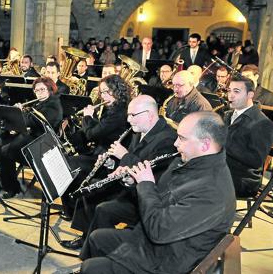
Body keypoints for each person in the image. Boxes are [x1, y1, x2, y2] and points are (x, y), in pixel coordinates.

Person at [78, 111, 235, 274]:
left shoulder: (213, 192)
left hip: (168, 261)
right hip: (155, 243)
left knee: (91, 268)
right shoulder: (188, 162)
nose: (175, 143)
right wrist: (135, 183)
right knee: (96, 239)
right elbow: (159, 195)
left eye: (182, 138)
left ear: (205, 144)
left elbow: (159, 231)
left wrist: (146, 184)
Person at [61, 95, 177, 250]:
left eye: (132, 115)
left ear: (149, 114)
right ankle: (87, 238)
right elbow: (127, 163)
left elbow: (151, 173)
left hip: (144, 195)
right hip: (128, 184)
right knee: (89, 189)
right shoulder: (139, 130)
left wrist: (124, 155)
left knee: (103, 207)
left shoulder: (167, 139)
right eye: (128, 115)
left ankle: (100, 247)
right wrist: (111, 164)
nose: (128, 120)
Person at [61, 74, 131, 221]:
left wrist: (87, 117)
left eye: (107, 91)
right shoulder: (113, 107)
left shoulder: (119, 113)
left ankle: (71, 208)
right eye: (102, 92)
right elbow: (99, 129)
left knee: (69, 165)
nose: (104, 96)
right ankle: (71, 208)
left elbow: (93, 134)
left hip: (110, 161)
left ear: (117, 90)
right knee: (69, 162)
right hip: (100, 152)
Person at [0, 77, 63, 198]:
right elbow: (31, 119)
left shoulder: (53, 105)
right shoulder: (43, 102)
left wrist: (18, 113)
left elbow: (32, 121)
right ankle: (7, 182)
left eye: (42, 89)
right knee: (1, 141)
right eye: (37, 90)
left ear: (50, 89)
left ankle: (11, 187)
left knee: (4, 152)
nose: (39, 93)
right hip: (33, 138)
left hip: (42, 145)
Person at [224, 75, 273, 197]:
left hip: (243, 179)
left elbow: (256, 160)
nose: (230, 95)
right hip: (224, 169)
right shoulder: (228, 114)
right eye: (229, 90)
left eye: (236, 91)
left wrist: (222, 144)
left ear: (250, 95)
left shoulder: (262, 122)